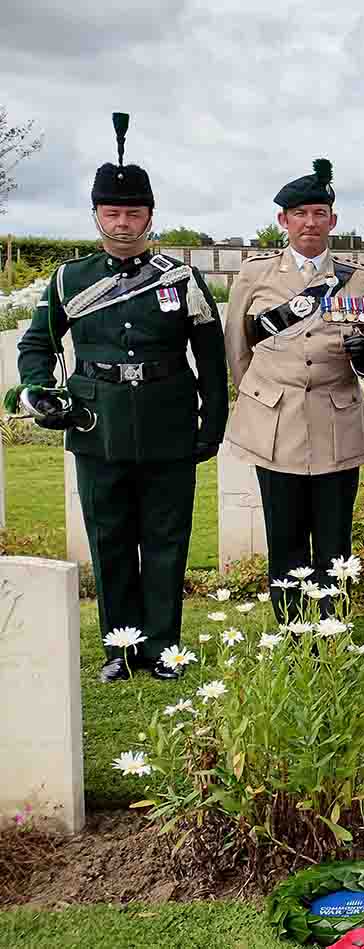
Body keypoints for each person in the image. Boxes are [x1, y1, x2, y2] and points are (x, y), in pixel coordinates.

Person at [14, 113, 228, 682]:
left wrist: (211, 425)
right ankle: (119, 650)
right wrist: (38, 389)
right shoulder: (70, 280)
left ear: (150, 215)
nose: (124, 223)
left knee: (165, 538)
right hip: (96, 425)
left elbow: (209, 356)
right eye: (113, 212)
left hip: (168, 422)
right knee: (109, 540)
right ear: (96, 215)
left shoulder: (180, 278)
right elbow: (37, 345)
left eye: (134, 212)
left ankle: (163, 649)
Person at [222, 158, 364, 620]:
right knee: (285, 534)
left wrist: (362, 356)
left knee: (335, 538)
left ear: (332, 220)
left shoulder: (358, 279)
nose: (310, 222)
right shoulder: (256, 276)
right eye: (300, 214)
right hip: (276, 424)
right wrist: (257, 400)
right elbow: (238, 348)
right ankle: (292, 630)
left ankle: (331, 627)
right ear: (283, 221)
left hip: (336, 424)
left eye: (319, 213)